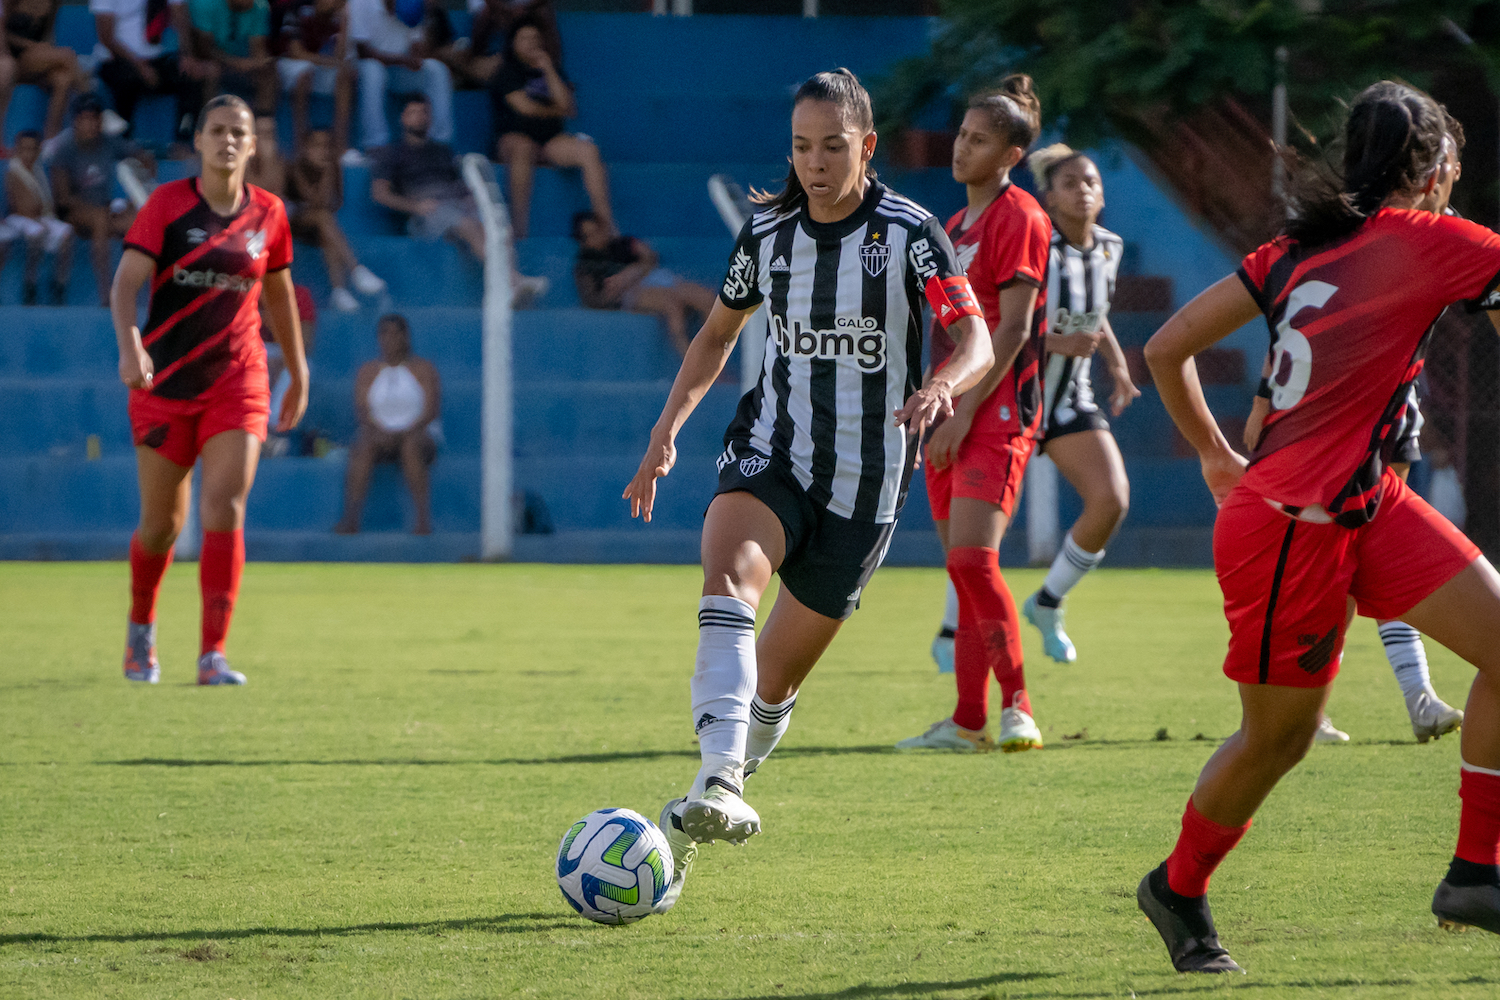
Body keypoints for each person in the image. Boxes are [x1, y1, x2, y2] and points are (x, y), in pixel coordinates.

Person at [1136, 81, 1500, 972]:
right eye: (1451, 161)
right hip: (1290, 526)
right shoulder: (1434, 238)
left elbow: (1165, 346)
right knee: (1279, 738)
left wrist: (1220, 455)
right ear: (1435, 167)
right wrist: (1225, 465)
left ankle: (1475, 873)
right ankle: (1176, 886)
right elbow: (1161, 351)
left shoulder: (1296, 249)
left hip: (1363, 503)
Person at [622, 69, 994, 912]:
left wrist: (945, 384)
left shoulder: (911, 234)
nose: (815, 163)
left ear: (866, 146)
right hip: (771, 452)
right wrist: (667, 428)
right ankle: (717, 778)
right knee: (730, 575)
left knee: (777, 683)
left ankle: (724, 781)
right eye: (801, 146)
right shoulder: (769, 234)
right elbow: (719, 334)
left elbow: (972, 335)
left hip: (866, 487)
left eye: (833, 146)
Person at [113, 93, 306, 687]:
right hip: (164, 382)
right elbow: (126, 286)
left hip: (237, 377)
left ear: (253, 145)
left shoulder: (270, 212)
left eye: (238, 133)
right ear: (196, 142)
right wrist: (131, 345)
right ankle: (141, 630)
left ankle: (211, 655)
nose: (227, 141)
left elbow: (278, 293)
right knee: (161, 525)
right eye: (216, 130)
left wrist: (297, 371)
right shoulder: (167, 206)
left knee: (225, 502)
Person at [892, 76, 1052, 755]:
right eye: (961, 134)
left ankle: (1018, 707)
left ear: (1011, 155)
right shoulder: (952, 227)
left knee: (975, 561)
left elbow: (1011, 332)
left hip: (995, 411)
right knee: (961, 568)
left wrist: (960, 415)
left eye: (980, 140)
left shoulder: (1021, 217)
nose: (962, 148)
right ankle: (965, 721)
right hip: (950, 411)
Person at [1245, 349, 1466, 745]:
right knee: (1335, 562)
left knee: (1380, 551)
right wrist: (1263, 400)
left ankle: (1419, 697)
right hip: (1331, 411)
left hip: (1392, 396)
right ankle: (1306, 711)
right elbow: (1285, 328)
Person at [1012, 144, 1140, 662]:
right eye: (1070, 183)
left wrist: (1117, 363)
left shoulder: (1111, 247)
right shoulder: (1037, 247)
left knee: (1111, 500)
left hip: (1070, 399)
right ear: (1049, 197)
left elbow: (1095, 311)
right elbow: (1005, 323)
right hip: (1015, 396)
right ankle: (954, 634)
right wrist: (1056, 344)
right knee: (979, 531)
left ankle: (1048, 600)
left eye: (1091, 181)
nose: (1083, 190)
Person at [369, 93, 547, 302]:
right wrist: (416, 206)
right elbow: (380, 194)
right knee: (468, 225)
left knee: (497, 227)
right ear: (402, 118)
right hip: (426, 214)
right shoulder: (391, 153)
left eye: (423, 112)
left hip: (455, 206)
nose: (418, 117)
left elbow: (460, 186)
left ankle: (513, 284)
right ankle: (513, 282)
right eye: (412, 112)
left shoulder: (442, 150)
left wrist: (471, 199)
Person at [491, 18, 611, 240]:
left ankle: (607, 227)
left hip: (550, 141)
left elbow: (570, 107)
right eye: (525, 38)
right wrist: (558, 110)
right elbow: (525, 108)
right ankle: (519, 231)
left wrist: (548, 69)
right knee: (523, 147)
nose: (531, 43)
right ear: (513, 43)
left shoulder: (552, 69)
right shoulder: (506, 71)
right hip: (514, 139)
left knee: (588, 150)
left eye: (536, 38)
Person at [334, 313, 441, 535]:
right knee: (362, 447)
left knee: (411, 446)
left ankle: (422, 520)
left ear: (406, 337)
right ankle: (351, 518)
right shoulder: (368, 371)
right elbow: (362, 411)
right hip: (380, 435)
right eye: (385, 333)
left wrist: (406, 431)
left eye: (396, 333)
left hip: (418, 434)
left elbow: (431, 410)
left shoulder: (423, 369)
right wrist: (380, 431)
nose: (391, 339)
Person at [571, 210, 717, 356]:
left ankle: (714, 354)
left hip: (653, 279)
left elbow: (651, 257)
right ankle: (692, 362)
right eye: (590, 236)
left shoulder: (623, 243)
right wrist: (618, 287)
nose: (598, 237)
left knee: (707, 297)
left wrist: (632, 272)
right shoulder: (586, 266)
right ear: (582, 240)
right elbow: (594, 300)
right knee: (672, 304)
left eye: (598, 230)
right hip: (630, 293)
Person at [49, 93, 146, 306]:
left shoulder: (109, 142)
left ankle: (147, 293)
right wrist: (96, 210)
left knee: (139, 221)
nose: (91, 124)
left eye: (95, 118)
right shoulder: (65, 149)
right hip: (73, 214)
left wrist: (137, 195)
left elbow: (142, 157)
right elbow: (63, 200)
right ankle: (106, 294)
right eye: (85, 119)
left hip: (104, 208)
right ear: (75, 121)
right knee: (100, 219)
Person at [287, 127, 387, 311]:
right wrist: (326, 173)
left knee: (327, 232)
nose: (322, 151)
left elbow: (333, 202)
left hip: (317, 223)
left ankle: (339, 292)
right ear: (306, 148)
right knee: (324, 218)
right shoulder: (296, 168)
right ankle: (357, 270)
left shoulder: (333, 168)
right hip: (292, 222)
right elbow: (313, 201)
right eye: (316, 146)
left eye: (326, 146)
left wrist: (328, 171)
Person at [91, 0, 209, 146]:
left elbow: (179, 13)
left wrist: (186, 55)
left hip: (156, 58)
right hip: (115, 59)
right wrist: (140, 67)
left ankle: (183, 141)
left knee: (191, 76)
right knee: (126, 79)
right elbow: (106, 38)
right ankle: (123, 144)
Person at [349, 0, 452, 152]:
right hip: (363, 70)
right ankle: (375, 145)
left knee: (436, 70)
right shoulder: (361, 3)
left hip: (398, 72)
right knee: (373, 70)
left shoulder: (411, 4)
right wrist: (402, 60)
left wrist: (417, 57)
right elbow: (362, 52)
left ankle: (440, 143)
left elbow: (416, 45)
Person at [3, 129, 73, 305]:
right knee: (37, 233)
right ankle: (30, 282)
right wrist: (41, 218)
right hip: (17, 218)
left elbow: (45, 206)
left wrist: (45, 218)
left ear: (37, 151)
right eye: (23, 149)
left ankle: (59, 284)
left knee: (67, 234)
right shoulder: (13, 171)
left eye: (32, 149)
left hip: (40, 218)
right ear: (17, 150)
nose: (28, 153)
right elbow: (22, 207)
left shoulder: (39, 170)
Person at [275, 0, 354, 152]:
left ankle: (340, 144)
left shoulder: (336, 16)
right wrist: (328, 61)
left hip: (316, 64)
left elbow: (340, 55)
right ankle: (300, 141)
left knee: (344, 75)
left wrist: (345, 22)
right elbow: (295, 52)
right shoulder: (297, 9)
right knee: (305, 73)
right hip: (288, 65)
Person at [5, 0, 91, 138]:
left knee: (63, 79)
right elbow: (4, 34)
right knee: (67, 55)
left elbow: (48, 36)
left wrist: (49, 60)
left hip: (38, 58)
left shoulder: (53, 3)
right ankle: (91, 105)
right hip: (14, 59)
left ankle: (51, 138)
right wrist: (31, 46)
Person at [189, 0, 277, 115]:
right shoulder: (205, 4)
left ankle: (262, 123)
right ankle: (210, 120)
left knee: (268, 71)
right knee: (212, 70)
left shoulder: (260, 5)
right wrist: (236, 63)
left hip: (240, 64)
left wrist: (260, 62)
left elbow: (257, 47)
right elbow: (204, 50)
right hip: (210, 62)